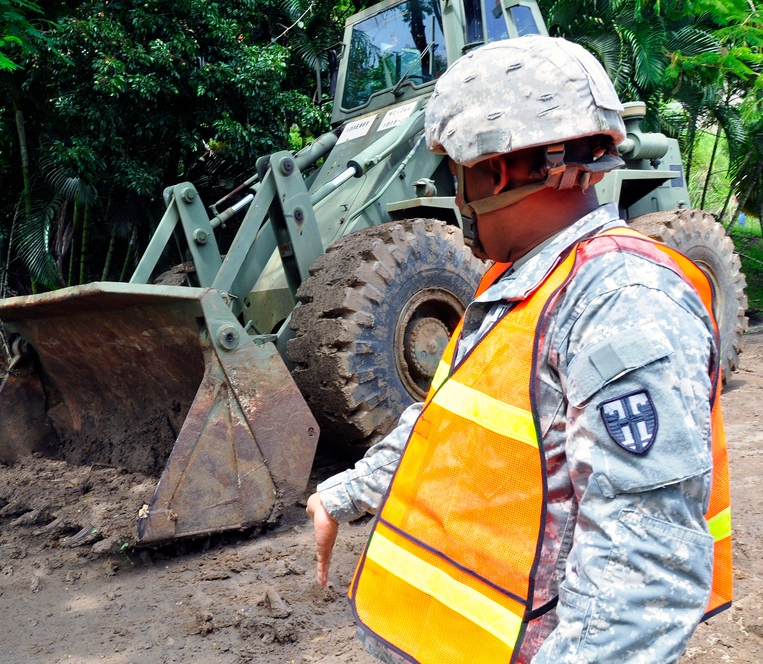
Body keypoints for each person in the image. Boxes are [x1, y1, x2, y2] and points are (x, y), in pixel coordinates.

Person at [306, 35, 732, 663]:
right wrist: (346, 492)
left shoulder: (623, 302)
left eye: (455, 173)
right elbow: (448, 422)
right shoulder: (519, 284)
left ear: (494, 171)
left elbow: (641, 579)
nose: (455, 197)